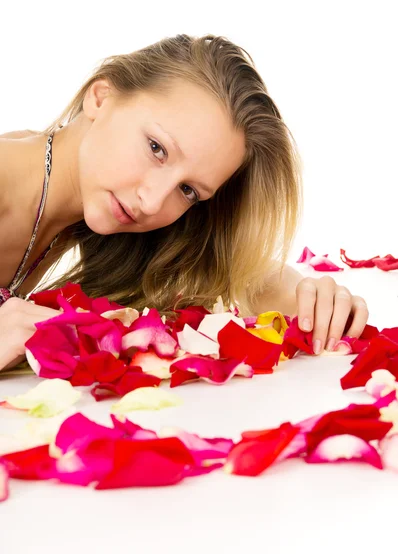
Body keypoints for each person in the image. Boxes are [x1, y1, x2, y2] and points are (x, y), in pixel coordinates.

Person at [0, 33, 369, 372]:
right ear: (101, 97)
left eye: (188, 191)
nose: (153, 200)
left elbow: (227, 272)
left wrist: (311, 298)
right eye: (156, 148)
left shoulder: (85, 204)